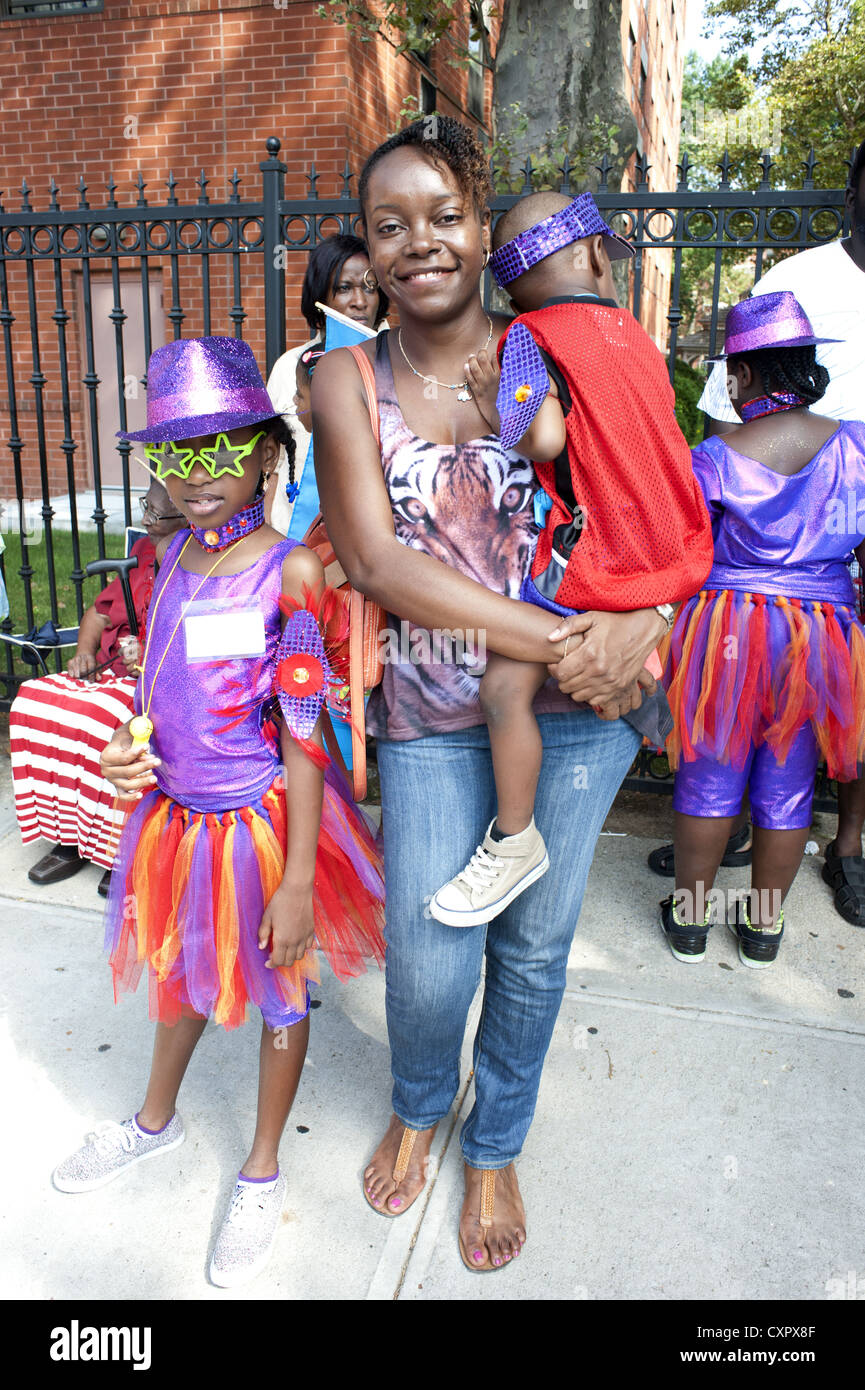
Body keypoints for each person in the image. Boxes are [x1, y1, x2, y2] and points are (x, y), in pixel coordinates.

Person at [311, 116, 677, 1271]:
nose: (417, 243)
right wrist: (571, 634)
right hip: (429, 716)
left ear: (482, 226)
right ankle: (422, 1099)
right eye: (388, 225)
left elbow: (660, 493)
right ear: (364, 248)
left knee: (533, 946)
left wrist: (651, 618)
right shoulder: (342, 377)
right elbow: (377, 564)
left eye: (443, 216)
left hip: (578, 721)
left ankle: (497, 1137)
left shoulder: (558, 345)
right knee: (427, 955)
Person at [51, 337, 386, 1289]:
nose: (196, 476)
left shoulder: (291, 575)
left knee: (278, 992)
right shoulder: (162, 558)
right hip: (174, 820)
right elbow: (158, 687)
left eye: (218, 450)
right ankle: (153, 1123)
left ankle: (261, 1169)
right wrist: (129, 745)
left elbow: (306, 732)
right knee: (178, 970)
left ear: (266, 454)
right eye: (175, 453)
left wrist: (293, 880)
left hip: (257, 827)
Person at [428, 190, 713, 927]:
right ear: (592, 254)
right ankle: (646, 708)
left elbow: (544, 439)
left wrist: (498, 405)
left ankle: (515, 839)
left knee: (501, 691)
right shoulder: (633, 335)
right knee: (590, 659)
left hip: (590, 556)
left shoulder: (528, 335)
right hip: (662, 551)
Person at [652, 137, 865, 912]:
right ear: (807, 365)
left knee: (710, 770)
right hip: (826, 630)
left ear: (740, 374)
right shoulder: (856, 448)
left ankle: (688, 919)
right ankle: (765, 930)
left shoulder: (714, 458)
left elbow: (680, 549)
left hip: (728, 627)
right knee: (788, 778)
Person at [9, 481, 185, 897]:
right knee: (35, 702)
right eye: (146, 508)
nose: (144, 520)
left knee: (102, 722)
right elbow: (99, 614)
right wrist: (85, 654)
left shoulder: (201, 560)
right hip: (110, 671)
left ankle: (117, 850)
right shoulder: (144, 552)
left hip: (159, 680)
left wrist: (150, 652)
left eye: (156, 515)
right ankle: (68, 838)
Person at [265, 234, 389, 533]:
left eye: (370, 288)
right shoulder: (288, 367)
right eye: (344, 288)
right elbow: (270, 458)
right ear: (321, 295)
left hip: (370, 538)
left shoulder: (400, 361)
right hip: (289, 536)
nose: (359, 302)